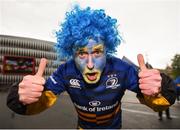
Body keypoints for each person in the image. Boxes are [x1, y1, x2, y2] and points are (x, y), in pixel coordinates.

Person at [7, 5, 176, 129]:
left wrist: (162, 87)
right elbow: (37, 103)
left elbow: (161, 102)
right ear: (72, 53)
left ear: (107, 50)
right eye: (81, 54)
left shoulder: (122, 68)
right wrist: (21, 98)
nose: (89, 64)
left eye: (97, 53)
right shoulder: (65, 71)